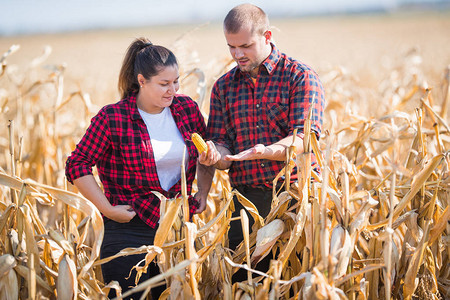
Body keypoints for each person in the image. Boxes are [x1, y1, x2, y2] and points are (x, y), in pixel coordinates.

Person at [65, 37, 206, 299]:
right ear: (141, 81)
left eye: (176, 82)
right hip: (127, 229)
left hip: (177, 228)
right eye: (164, 84)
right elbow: (77, 164)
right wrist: (107, 209)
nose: (172, 90)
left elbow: (206, 154)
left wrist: (204, 193)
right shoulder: (113, 117)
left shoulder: (187, 109)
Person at [195, 3, 325, 281]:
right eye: (231, 47)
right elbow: (221, 144)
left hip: (295, 197)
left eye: (245, 45)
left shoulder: (300, 76)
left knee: (296, 282)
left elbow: (305, 138)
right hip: (245, 204)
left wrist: (267, 151)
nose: (237, 54)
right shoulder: (223, 87)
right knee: (244, 284)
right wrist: (214, 156)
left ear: (267, 37)